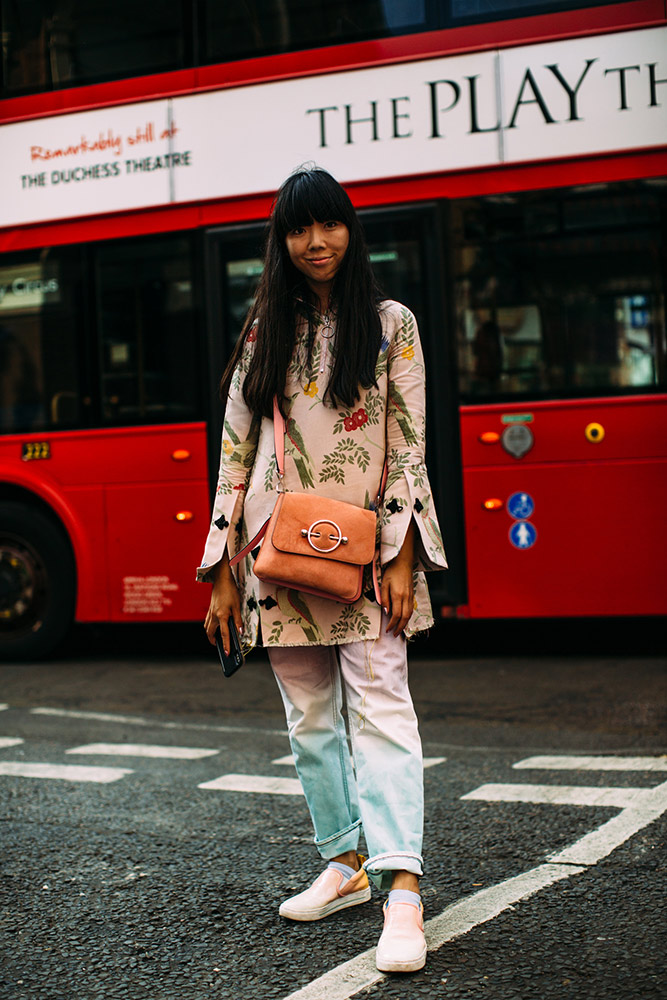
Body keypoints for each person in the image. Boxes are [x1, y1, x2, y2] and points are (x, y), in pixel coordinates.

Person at [198, 166, 447, 973]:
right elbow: (236, 447)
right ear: (281, 241)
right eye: (299, 230)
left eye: (329, 224)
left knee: (380, 710)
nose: (316, 243)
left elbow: (408, 441)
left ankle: (401, 888)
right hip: (277, 554)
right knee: (308, 718)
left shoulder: (391, 324)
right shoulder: (263, 328)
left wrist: (405, 552)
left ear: (350, 228)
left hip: (369, 555)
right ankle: (345, 864)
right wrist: (220, 569)